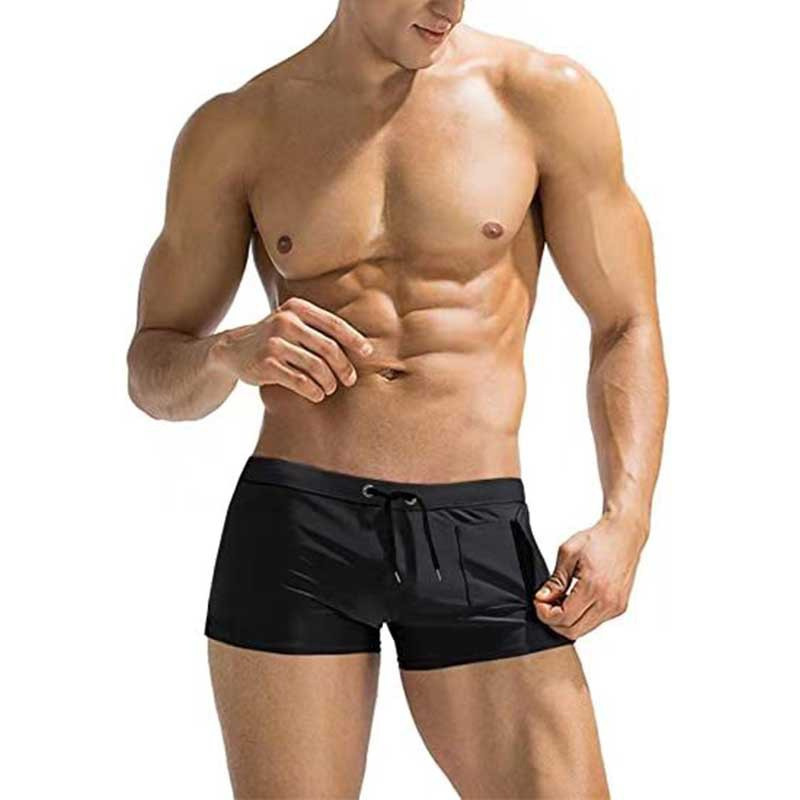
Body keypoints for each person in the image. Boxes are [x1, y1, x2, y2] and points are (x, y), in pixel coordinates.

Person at [126, 1, 668, 796]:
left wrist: (627, 519)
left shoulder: (541, 97)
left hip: (473, 524)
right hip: (296, 528)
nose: (449, 6)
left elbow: (626, 322)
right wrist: (226, 354)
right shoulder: (239, 127)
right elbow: (151, 372)